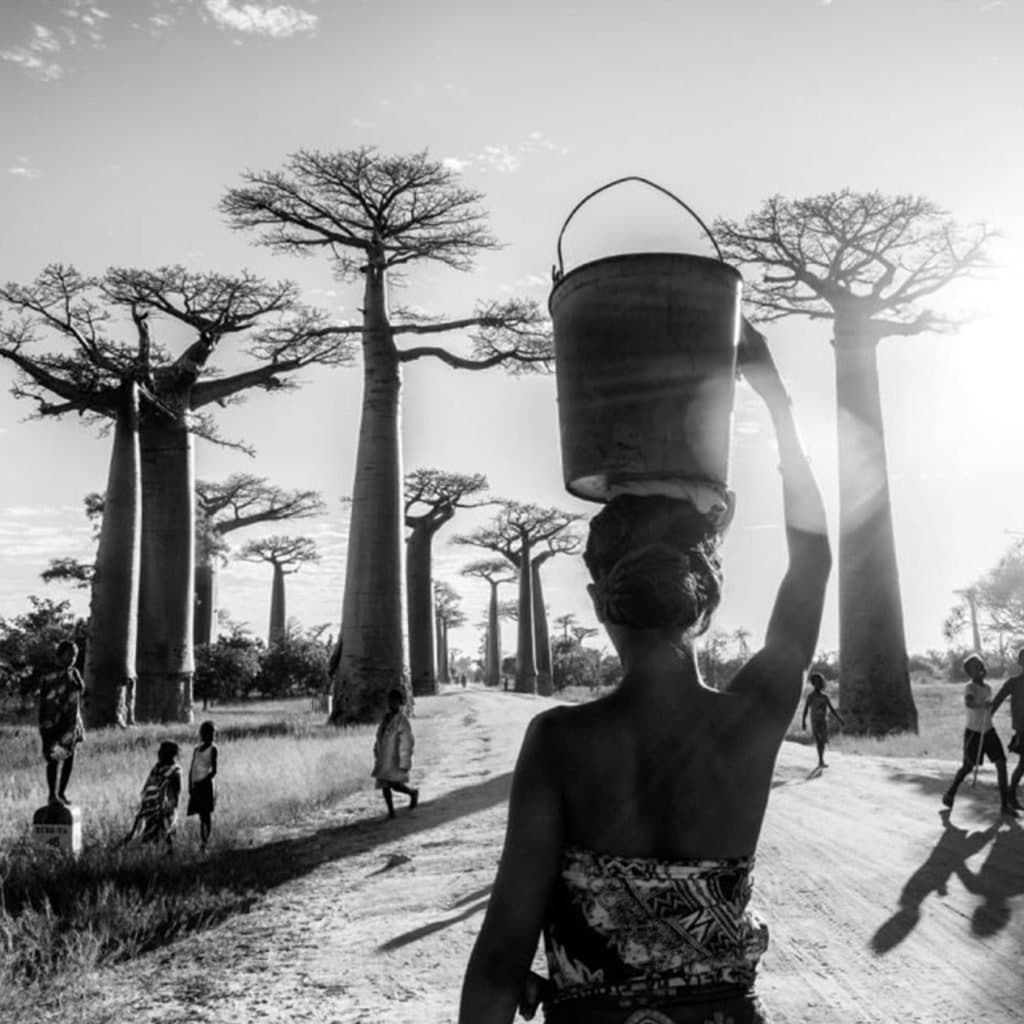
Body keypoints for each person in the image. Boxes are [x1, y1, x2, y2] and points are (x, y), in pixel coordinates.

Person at [459, 321, 831, 1024]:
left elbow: (501, 957)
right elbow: (813, 562)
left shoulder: (560, 742)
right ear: (708, 603)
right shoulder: (752, 720)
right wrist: (776, 402)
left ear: (601, 603)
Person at [942, 655, 1016, 817]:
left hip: (989, 731)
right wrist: (982, 704)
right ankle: (951, 792)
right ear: (969, 672)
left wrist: (988, 707)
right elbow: (969, 703)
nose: (977, 669)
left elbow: (989, 708)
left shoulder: (988, 688)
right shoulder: (970, 688)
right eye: (973, 667)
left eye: (979, 666)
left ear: (982, 667)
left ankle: (1004, 805)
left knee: (1001, 764)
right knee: (968, 767)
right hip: (974, 733)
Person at [37, 639, 86, 806]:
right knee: (54, 758)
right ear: (60, 654)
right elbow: (45, 700)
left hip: (71, 724)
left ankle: (62, 792)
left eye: (75, 655)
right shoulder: (49, 674)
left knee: (69, 758)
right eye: (70, 655)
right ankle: (52, 795)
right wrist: (44, 724)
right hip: (53, 723)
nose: (73, 658)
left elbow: (81, 692)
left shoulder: (75, 673)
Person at [121, 740, 182, 849]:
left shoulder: (174, 771)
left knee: (166, 831)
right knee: (152, 833)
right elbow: (150, 785)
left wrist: (170, 807)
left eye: (161, 751)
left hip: (165, 808)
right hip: (151, 807)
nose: (158, 753)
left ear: (168, 754)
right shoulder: (157, 768)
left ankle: (168, 853)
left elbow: (176, 792)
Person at [372, 688, 419, 819]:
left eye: (394, 701)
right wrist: (377, 748)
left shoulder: (402, 720)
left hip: (395, 757)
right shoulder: (386, 718)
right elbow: (379, 735)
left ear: (400, 703)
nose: (391, 703)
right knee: (384, 785)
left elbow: (407, 738)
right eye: (390, 701)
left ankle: (412, 793)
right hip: (383, 756)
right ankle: (391, 812)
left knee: (395, 785)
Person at [990, 648, 1024, 810]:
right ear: (1020, 662)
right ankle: (1010, 795)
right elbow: (998, 698)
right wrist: (988, 716)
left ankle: (1011, 794)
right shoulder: (1014, 682)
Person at [187, 721, 219, 852]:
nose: (210, 737)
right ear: (202, 735)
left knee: (206, 815)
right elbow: (192, 768)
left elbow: (214, 770)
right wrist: (190, 784)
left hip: (206, 786)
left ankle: (205, 843)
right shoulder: (196, 750)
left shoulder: (213, 749)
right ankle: (203, 842)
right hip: (196, 786)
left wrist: (204, 781)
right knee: (201, 816)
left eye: (212, 734)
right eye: (207, 734)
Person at [801, 673, 844, 768]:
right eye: (816, 682)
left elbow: (832, 709)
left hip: (823, 722)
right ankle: (820, 760)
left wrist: (839, 719)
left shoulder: (825, 697)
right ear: (813, 684)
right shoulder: (810, 696)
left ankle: (821, 760)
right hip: (815, 721)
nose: (818, 684)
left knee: (823, 742)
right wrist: (803, 722)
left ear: (822, 684)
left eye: (820, 682)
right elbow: (805, 709)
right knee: (819, 740)